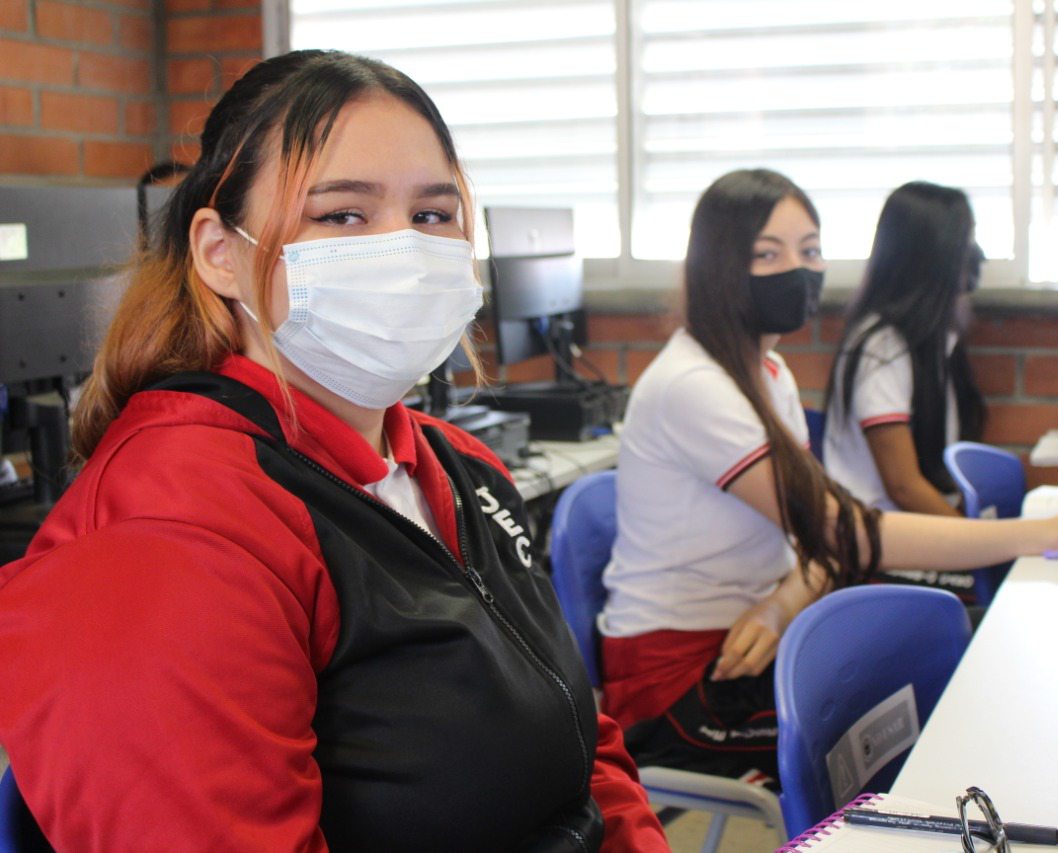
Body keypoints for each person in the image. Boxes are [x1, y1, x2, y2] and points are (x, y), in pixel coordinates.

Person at [0, 50, 667, 853]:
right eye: (342, 215)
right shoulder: (171, 529)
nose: (404, 248)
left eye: (432, 215)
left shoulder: (458, 468)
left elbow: (582, 742)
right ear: (220, 251)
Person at [597, 168, 1058, 785]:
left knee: (953, 676)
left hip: (763, 634)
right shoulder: (695, 386)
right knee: (938, 704)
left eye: (811, 250)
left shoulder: (768, 372)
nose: (799, 270)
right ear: (716, 266)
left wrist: (783, 603)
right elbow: (843, 533)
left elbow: (820, 539)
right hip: (679, 682)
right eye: (767, 254)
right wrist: (1052, 531)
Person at [823, 180, 987, 515]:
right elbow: (903, 488)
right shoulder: (883, 349)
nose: (975, 255)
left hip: (920, 532)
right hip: (886, 541)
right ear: (934, 256)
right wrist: (981, 543)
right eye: (965, 241)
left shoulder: (934, 340)